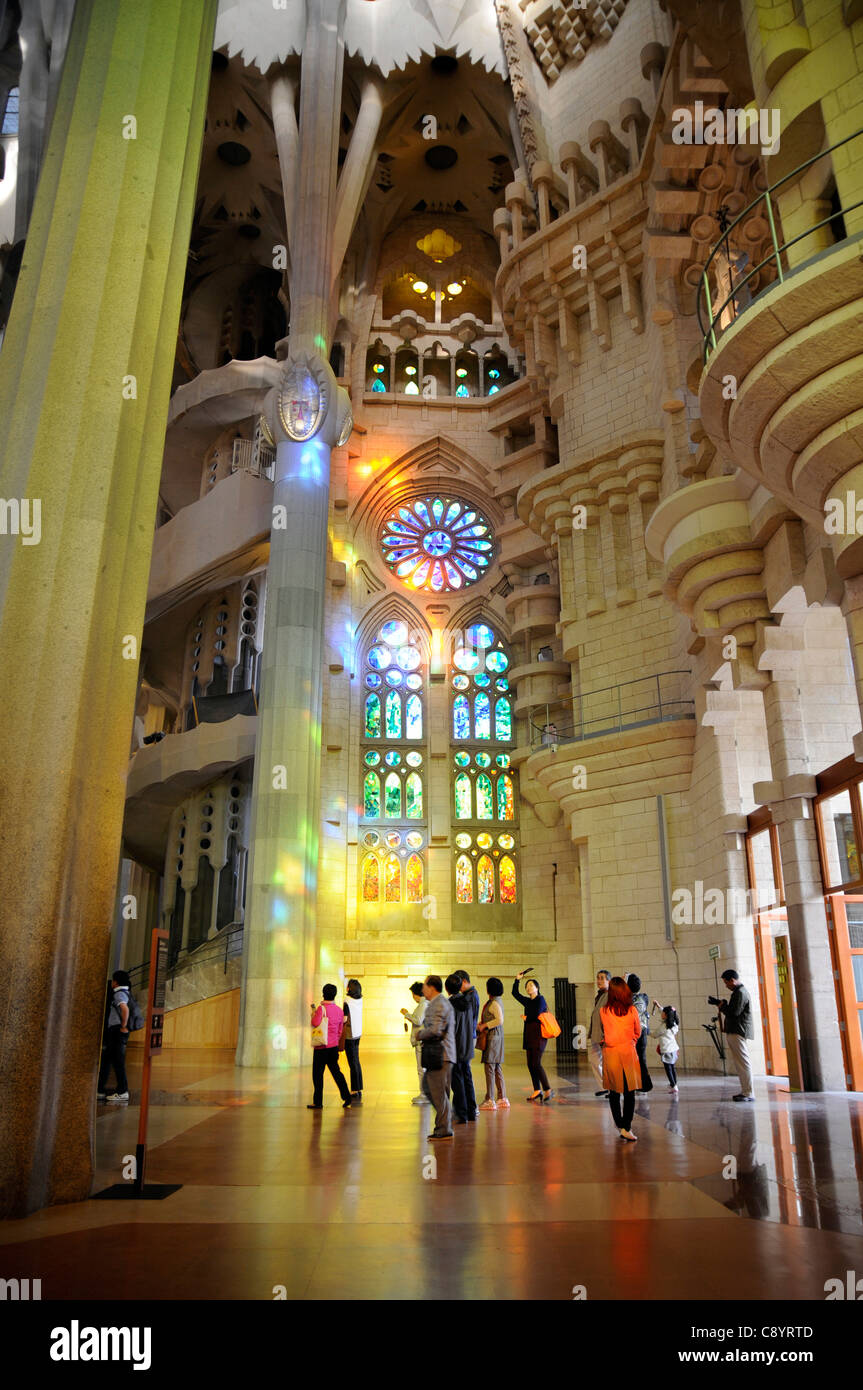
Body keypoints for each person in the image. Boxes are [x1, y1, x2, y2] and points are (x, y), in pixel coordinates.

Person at [600, 976, 641, 1141]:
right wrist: (631, 1041)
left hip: (611, 1054)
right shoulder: (632, 1010)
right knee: (630, 1092)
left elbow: (604, 1029)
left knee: (614, 1091)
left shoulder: (604, 1011)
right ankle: (627, 1126)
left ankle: (620, 1125)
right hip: (628, 1052)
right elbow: (638, 1031)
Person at [416, 975, 456, 1140]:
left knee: (436, 1091)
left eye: (424, 985)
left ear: (432, 987)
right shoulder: (440, 1002)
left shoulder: (438, 1004)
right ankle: (444, 1123)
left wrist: (420, 1034)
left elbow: (435, 1030)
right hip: (444, 1054)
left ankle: (444, 1128)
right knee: (434, 1089)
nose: (423, 988)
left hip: (441, 1054)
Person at [307, 984, 352, 1109]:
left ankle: (318, 1102)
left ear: (323, 993)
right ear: (334, 995)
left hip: (321, 1048)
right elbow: (339, 1030)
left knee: (317, 1075)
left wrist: (313, 1015)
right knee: (337, 1073)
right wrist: (334, 1040)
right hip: (333, 1048)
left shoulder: (321, 1009)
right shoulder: (339, 1010)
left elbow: (315, 1022)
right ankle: (347, 1096)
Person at [511, 972, 553, 1102]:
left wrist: (526, 1018)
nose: (528, 988)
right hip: (529, 1034)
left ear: (537, 988)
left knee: (536, 1063)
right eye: (527, 986)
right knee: (530, 1064)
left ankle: (548, 1089)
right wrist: (517, 980)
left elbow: (536, 1014)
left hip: (539, 1035)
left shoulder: (541, 999)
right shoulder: (527, 1001)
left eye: (531, 985)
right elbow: (515, 994)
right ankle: (537, 1090)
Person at [718, 968, 754, 1101]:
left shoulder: (740, 993)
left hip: (738, 1030)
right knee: (741, 1063)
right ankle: (746, 1091)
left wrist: (722, 1007)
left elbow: (734, 1013)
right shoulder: (738, 992)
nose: (726, 986)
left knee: (743, 1062)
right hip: (736, 1030)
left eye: (726, 983)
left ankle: (748, 1093)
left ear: (732, 980)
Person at [97, 970, 132, 1103]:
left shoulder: (119, 994)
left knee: (117, 1062)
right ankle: (100, 1089)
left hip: (117, 1031)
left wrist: (123, 1026)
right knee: (107, 1060)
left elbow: (124, 1009)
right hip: (116, 1031)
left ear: (116, 981)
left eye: (113, 980)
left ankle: (122, 1091)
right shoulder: (125, 992)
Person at [450, 969, 480, 1122]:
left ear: (464, 981)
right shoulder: (467, 997)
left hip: (465, 1038)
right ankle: (467, 1108)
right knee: (464, 1074)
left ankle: (468, 1109)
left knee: (463, 1074)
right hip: (466, 1038)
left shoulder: (469, 997)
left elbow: (469, 1020)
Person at [478, 977, 508, 1110]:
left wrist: (485, 1025)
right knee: (496, 1068)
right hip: (497, 1037)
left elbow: (499, 1020)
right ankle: (502, 1098)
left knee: (490, 1068)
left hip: (493, 1038)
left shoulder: (494, 1003)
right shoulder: (497, 1001)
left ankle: (490, 1099)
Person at [400, 981, 429, 1104]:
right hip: (422, 1040)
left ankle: (424, 1094)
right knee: (423, 1069)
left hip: (421, 1042)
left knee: (421, 1069)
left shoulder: (423, 1005)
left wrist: (406, 1014)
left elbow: (418, 1020)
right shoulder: (423, 1004)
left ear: (418, 994)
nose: (413, 997)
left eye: (413, 994)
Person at [627, 973, 653, 1093]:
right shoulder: (638, 998)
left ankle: (645, 1085)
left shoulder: (638, 1001)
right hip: (639, 1034)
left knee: (640, 1059)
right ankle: (639, 1083)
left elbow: (632, 1017)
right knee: (637, 1059)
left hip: (638, 1034)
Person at [588, 968, 611, 1096]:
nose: (599, 981)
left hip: (604, 1035)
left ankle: (611, 1088)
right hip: (596, 1034)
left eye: (602, 978)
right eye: (598, 978)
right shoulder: (600, 995)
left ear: (609, 981)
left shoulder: (610, 995)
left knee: (607, 1063)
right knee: (594, 1060)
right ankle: (604, 1086)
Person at [343, 978, 363, 1104]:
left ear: (349, 989)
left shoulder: (347, 1001)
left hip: (349, 1035)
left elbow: (344, 1019)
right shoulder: (360, 1000)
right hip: (358, 1034)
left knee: (352, 1063)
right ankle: (358, 1088)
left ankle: (354, 1090)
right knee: (356, 1061)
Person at [652, 1001, 680, 1092]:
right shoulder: (674, 1024)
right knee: (672, 1067)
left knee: (668, 1069)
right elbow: (665, 1012)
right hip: (674, 1050)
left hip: (666, 1051)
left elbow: (655, 1034)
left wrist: (646, 1031)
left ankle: (673, 1085)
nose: (662, 1013)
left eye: (663, 1012)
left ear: (666, 1015)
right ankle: (674, 1084)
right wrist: (658, 1006)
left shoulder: (664, 1026)